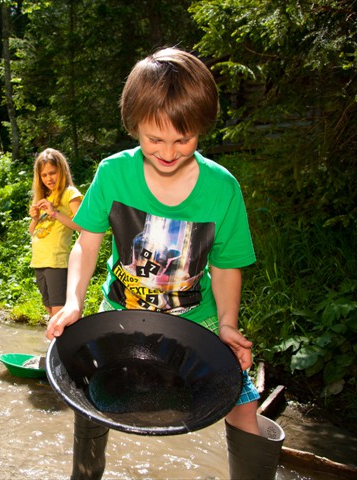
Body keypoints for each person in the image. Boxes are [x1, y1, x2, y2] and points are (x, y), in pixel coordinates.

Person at [46, 47, 268, 479]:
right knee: (88, 400)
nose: (168, 151)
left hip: (195, 325)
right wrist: (74, 302)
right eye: (154, 139)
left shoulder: (222, 189)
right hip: (120, 318)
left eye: (183, 140)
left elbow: (225, 266)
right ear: (135, 127)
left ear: (201, 128)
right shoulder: (114, 174)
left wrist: (227, 325)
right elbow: (86, 245)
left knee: (243, 404)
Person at [29, 148, 83, 318]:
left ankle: (66, 344)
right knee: (50, 311)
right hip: (39, 262)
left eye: (52, 173)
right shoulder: (44, 197)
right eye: (44, 175)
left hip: (57, 261)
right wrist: (35, 218)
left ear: (62, 170)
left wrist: (54, 213)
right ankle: (60, 343)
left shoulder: (70, 193)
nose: (48, 178)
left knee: (59, 313)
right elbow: (32, 232)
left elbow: (81, 225)